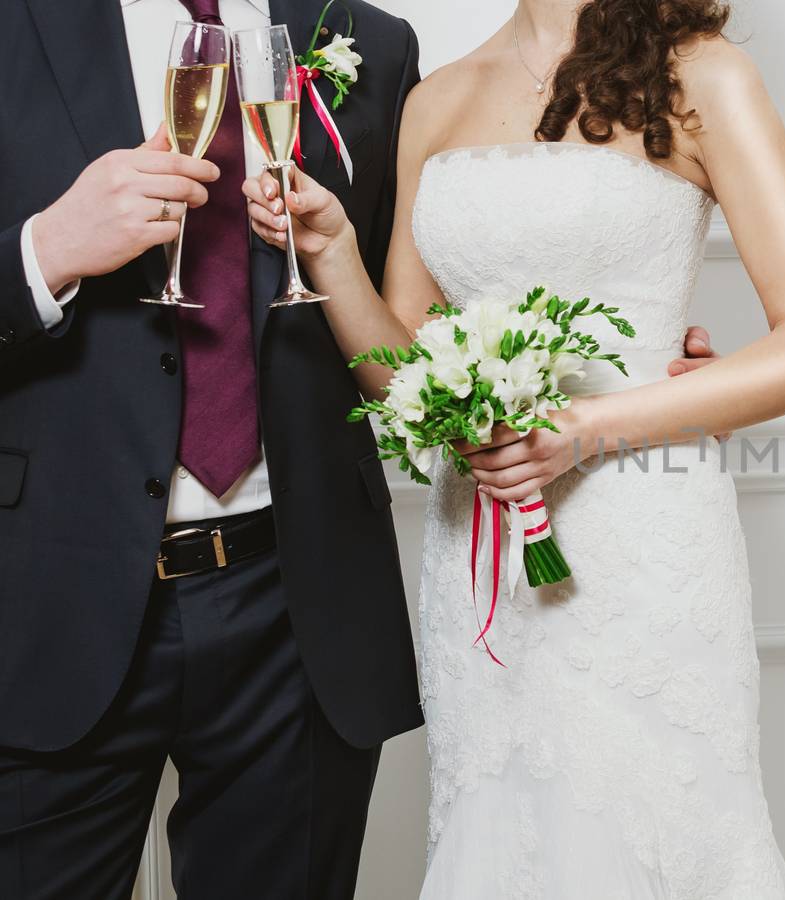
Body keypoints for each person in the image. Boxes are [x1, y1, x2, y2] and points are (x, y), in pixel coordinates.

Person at [0, 1, 714, 897]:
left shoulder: (373, 43)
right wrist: (44, 253)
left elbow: (411, 313)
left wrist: (620, 365)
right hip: (50, 607)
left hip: (299, 618)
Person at [242, 0, 785, 895]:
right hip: (480, 555)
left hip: (644, 544)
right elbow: (401, 370)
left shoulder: (703, 75)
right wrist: (334, 254)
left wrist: (584, 430)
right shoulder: (438, 95)